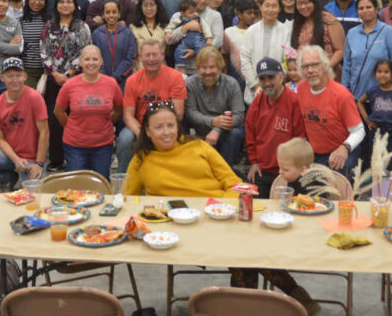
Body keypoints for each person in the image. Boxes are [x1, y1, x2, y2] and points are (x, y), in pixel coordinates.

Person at [122, 101, 320, 315]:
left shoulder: (199, 147)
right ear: (148, 132)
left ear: (178, 126)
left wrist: (219, 208)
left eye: (170, 125)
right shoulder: (141, 160)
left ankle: (246, 304)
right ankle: (288, 295)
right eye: (159, 127)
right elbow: (129, 200)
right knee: (245, 250)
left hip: (219, 216)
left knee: (245, 249)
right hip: (178, 227)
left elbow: (233, 182)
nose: (167, 132)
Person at [0, 57, 49, 189]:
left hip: (32, 157)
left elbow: (44, 132)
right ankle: (8, 177)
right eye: (10, 76)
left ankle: (32, 173)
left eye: (18, 75)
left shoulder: (35, 97)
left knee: (37, 192)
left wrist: (39, 163)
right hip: (9, 154)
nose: (14, 80)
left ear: (25, 76)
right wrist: (16, 160)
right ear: (2, 78)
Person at [39, 0, 93, 171]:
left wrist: (70, 73)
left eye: (69, 2)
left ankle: (76, 158)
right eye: (62, 2)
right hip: (54, 79)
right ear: (56, 5)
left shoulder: (82, 26)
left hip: (76, 79)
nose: (65, 5)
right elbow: (43, 51)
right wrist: (56, 73)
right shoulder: (48, 26)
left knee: (75, 118)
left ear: (75, 5)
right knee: (55, 119)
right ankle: (56, 159)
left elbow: (86, 51)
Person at [115, 38, 187, 172]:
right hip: (140, 126)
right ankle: (124, 181)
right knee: (125, 140)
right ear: (140, 58)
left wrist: (159, 131)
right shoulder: (132, 80)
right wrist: (142, 133)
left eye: (155, 54)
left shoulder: (175, 77)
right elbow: (128, 116)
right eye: (147, 55)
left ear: (162, 55)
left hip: (167, 125)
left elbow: (178, 114)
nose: (151, 59)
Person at [296, 45, 365, 179]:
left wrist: (344, 148)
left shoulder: (341, 94)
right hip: (315, 154)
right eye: (305, 67)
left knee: (339, 194)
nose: (310, 70)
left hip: (342, 151)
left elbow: (359, 130)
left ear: (325, 65)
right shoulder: (301, 89)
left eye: (315, 65)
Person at [54, 46, 123, 178]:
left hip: (103, 145)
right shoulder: (70, 85)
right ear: (80, 62)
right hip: (75, 146)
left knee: (100, 184)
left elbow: (119, 108)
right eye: (87, 59)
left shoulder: (111, 84)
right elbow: (58, 111)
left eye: (95, 59)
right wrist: (72, 127)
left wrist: (106, 123)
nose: (91, 63)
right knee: (77, 186)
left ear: (101, 61)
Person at [245, 57, 306, 198]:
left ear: (280, 77)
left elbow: (300, 139)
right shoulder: (257, 102)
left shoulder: (294, 101)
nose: (266, 83)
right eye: (262, 79)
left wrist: (293, 169)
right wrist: (253, 162)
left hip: (288, 171)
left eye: (270, 77)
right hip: (262, 169)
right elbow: (250, 134)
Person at [184, 47, 246, 166]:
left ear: (220, 67)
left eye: (212, 67)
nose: (208, 72)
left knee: (236, 133)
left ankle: (227, 170)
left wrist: (217, 129)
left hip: (225, 134)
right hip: (199, 132)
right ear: (197, 68)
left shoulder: (232, 84)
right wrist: (212, 121)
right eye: (204, 67)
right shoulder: (190, 84)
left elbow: (238, 115)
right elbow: (190, 113)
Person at [355, 60, 392, 171]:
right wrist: (367, 119)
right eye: (379, 71)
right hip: (376, 132)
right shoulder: (373, 90)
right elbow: (360, 102)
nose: (382, 75)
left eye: (386, 72)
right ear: (375, 74)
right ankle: (376, 186)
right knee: (374, 161)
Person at [343, 0, 392, 102]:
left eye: (369, 7)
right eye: (361, 8)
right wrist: (346, 90)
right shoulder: (352, 33)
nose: (365, 11)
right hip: (355, 95)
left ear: (376, 9)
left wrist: (390, 89)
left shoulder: (388, 31)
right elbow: (347, 65)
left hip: (381, 96)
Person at [240, 0, 291, 104]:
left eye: (274, 6)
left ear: (279, 9)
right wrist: (256, 85)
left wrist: (276, 82)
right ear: (261, 7)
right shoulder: (251, 31)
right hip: (254, 91)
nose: (270, 9)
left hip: (278, 90)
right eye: (267, 5)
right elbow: (245, 60)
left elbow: (287, 61)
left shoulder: (286, 31)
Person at [291, 0, 346, 80]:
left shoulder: (329, 20)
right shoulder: (297, 23)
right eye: (300, 4)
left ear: (315, 2)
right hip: (305, 76)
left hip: (328, 75)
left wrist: (324, 68)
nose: (303, 7)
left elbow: (340, 51)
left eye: (307, 2)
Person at [91, 0, 136, 89]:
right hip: (102, 81)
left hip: (123, 80)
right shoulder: (97, 34)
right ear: (103, 15)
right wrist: (105, 78)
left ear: (119, 14)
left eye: (114, 12)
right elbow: (94, 58)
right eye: (107, 12)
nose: (111, 15)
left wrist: (115, 77)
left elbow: (130, 58)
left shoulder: (127, 33)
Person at [165, 0, 213, 73]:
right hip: (185, 42)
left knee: (202, 49)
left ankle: (201, 66)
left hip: (197, 40)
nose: (194, 14)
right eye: (191, 12)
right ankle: (181, 69)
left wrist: (208, 38)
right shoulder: (178, 18)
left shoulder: (198, 18)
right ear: (182, 13)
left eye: (195, 11)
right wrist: (168, 33)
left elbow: (206, 27)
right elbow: (170, 27)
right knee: (179, 51)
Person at [222, 0, 259, 88]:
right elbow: (224, 56)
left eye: (254, 13)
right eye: (249, 13)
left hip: (255, 76)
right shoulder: (228, 32)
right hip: (234, 77)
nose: (253, 16)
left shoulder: (257, 31)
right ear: (239, 14)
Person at [19, 0, 50, 88]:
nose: (37, 2)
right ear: (28, 0)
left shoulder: (51, 21)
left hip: (48, 70)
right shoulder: (21, 21)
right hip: (28, 70)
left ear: (45, 1)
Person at [129, 0, 169, 64]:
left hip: (161, 67)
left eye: (152, 5)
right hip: (140, 68)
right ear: (141, 7)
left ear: (157, 6)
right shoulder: (133, 27)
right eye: (145, 5)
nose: (149, 8)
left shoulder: (166, 27)